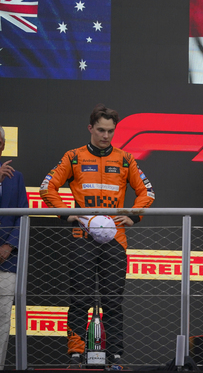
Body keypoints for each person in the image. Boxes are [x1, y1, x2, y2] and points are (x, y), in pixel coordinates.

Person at [40, 104, 155, 368]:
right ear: (90, 128)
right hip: (83, 235)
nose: (106, 135)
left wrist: (134, 215)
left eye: (110, 131)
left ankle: (114, 355)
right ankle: (76, 355)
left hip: (116, 239)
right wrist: (66, 213)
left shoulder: (125, 158)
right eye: (101, 130)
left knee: (113, 301)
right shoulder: (74, 156)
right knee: (79, 298)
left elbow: (147, 192)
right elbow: (48, 186)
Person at [0, 126, 28, 370]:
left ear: (2, 144)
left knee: (1, 322)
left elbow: (22, 215)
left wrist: (9, 245)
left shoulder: (15, 177)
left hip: (5, 262)